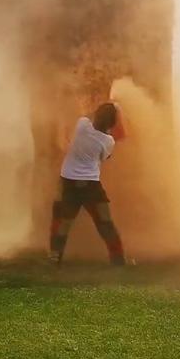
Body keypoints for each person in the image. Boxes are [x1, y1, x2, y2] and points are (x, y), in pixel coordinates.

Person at [49, 102, 127, 266]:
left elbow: (89, 115)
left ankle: (55, 257)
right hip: (90, 185)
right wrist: (115, 107)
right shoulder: (107, 141)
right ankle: (118, 259)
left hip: (68, 182)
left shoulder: (82, 125)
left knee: (65, 222)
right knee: (105, 222)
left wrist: (106, 106)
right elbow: (104, 158)